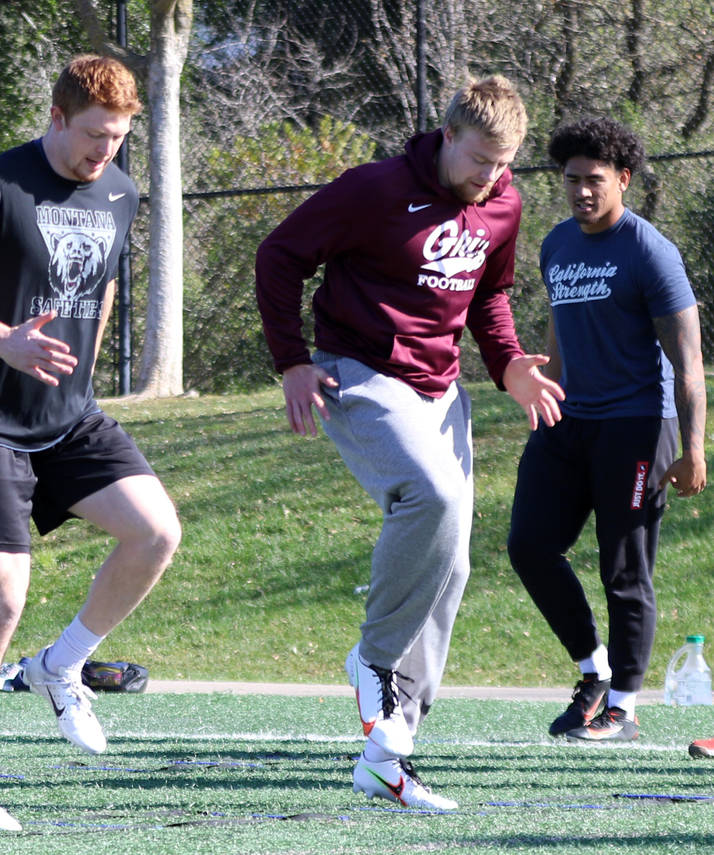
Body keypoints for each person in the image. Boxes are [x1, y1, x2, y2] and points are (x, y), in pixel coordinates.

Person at [255, 75, 564, 810]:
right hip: (355, 369)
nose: (490, 175)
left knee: (450, 560)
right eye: (481, 157)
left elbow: (488, 294)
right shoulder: (375, 189)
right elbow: (280, 254)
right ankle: (374, 658)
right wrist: (292, 361)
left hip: (439, 386)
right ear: (448, 134)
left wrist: (508, 361)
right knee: (431, 492)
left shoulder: (504, 203)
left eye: (504, 162)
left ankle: (390, 748)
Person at [0, 55, 181, 832]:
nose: (105, 153)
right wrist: (4, 341)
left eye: (119, 138)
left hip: (67, 416)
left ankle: (61, 665)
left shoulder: (122, 190)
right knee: (1, 601)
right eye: (94, 135)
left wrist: (79, 376)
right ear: (58, 118)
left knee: (156, 530)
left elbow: (104, 283)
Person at [507, 117, 707, 742]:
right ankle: (592, 671)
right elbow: (558, 328)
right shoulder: (556, 244)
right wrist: (546, 392)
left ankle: (622, 706)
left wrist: (695, 445)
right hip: (568, 421)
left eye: (594, 180)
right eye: (571, 181)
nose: (581, 192)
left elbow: (688, 359)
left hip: (638, 425)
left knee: (624, 569)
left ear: (623, 179)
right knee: (529, 546)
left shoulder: (650, 251)